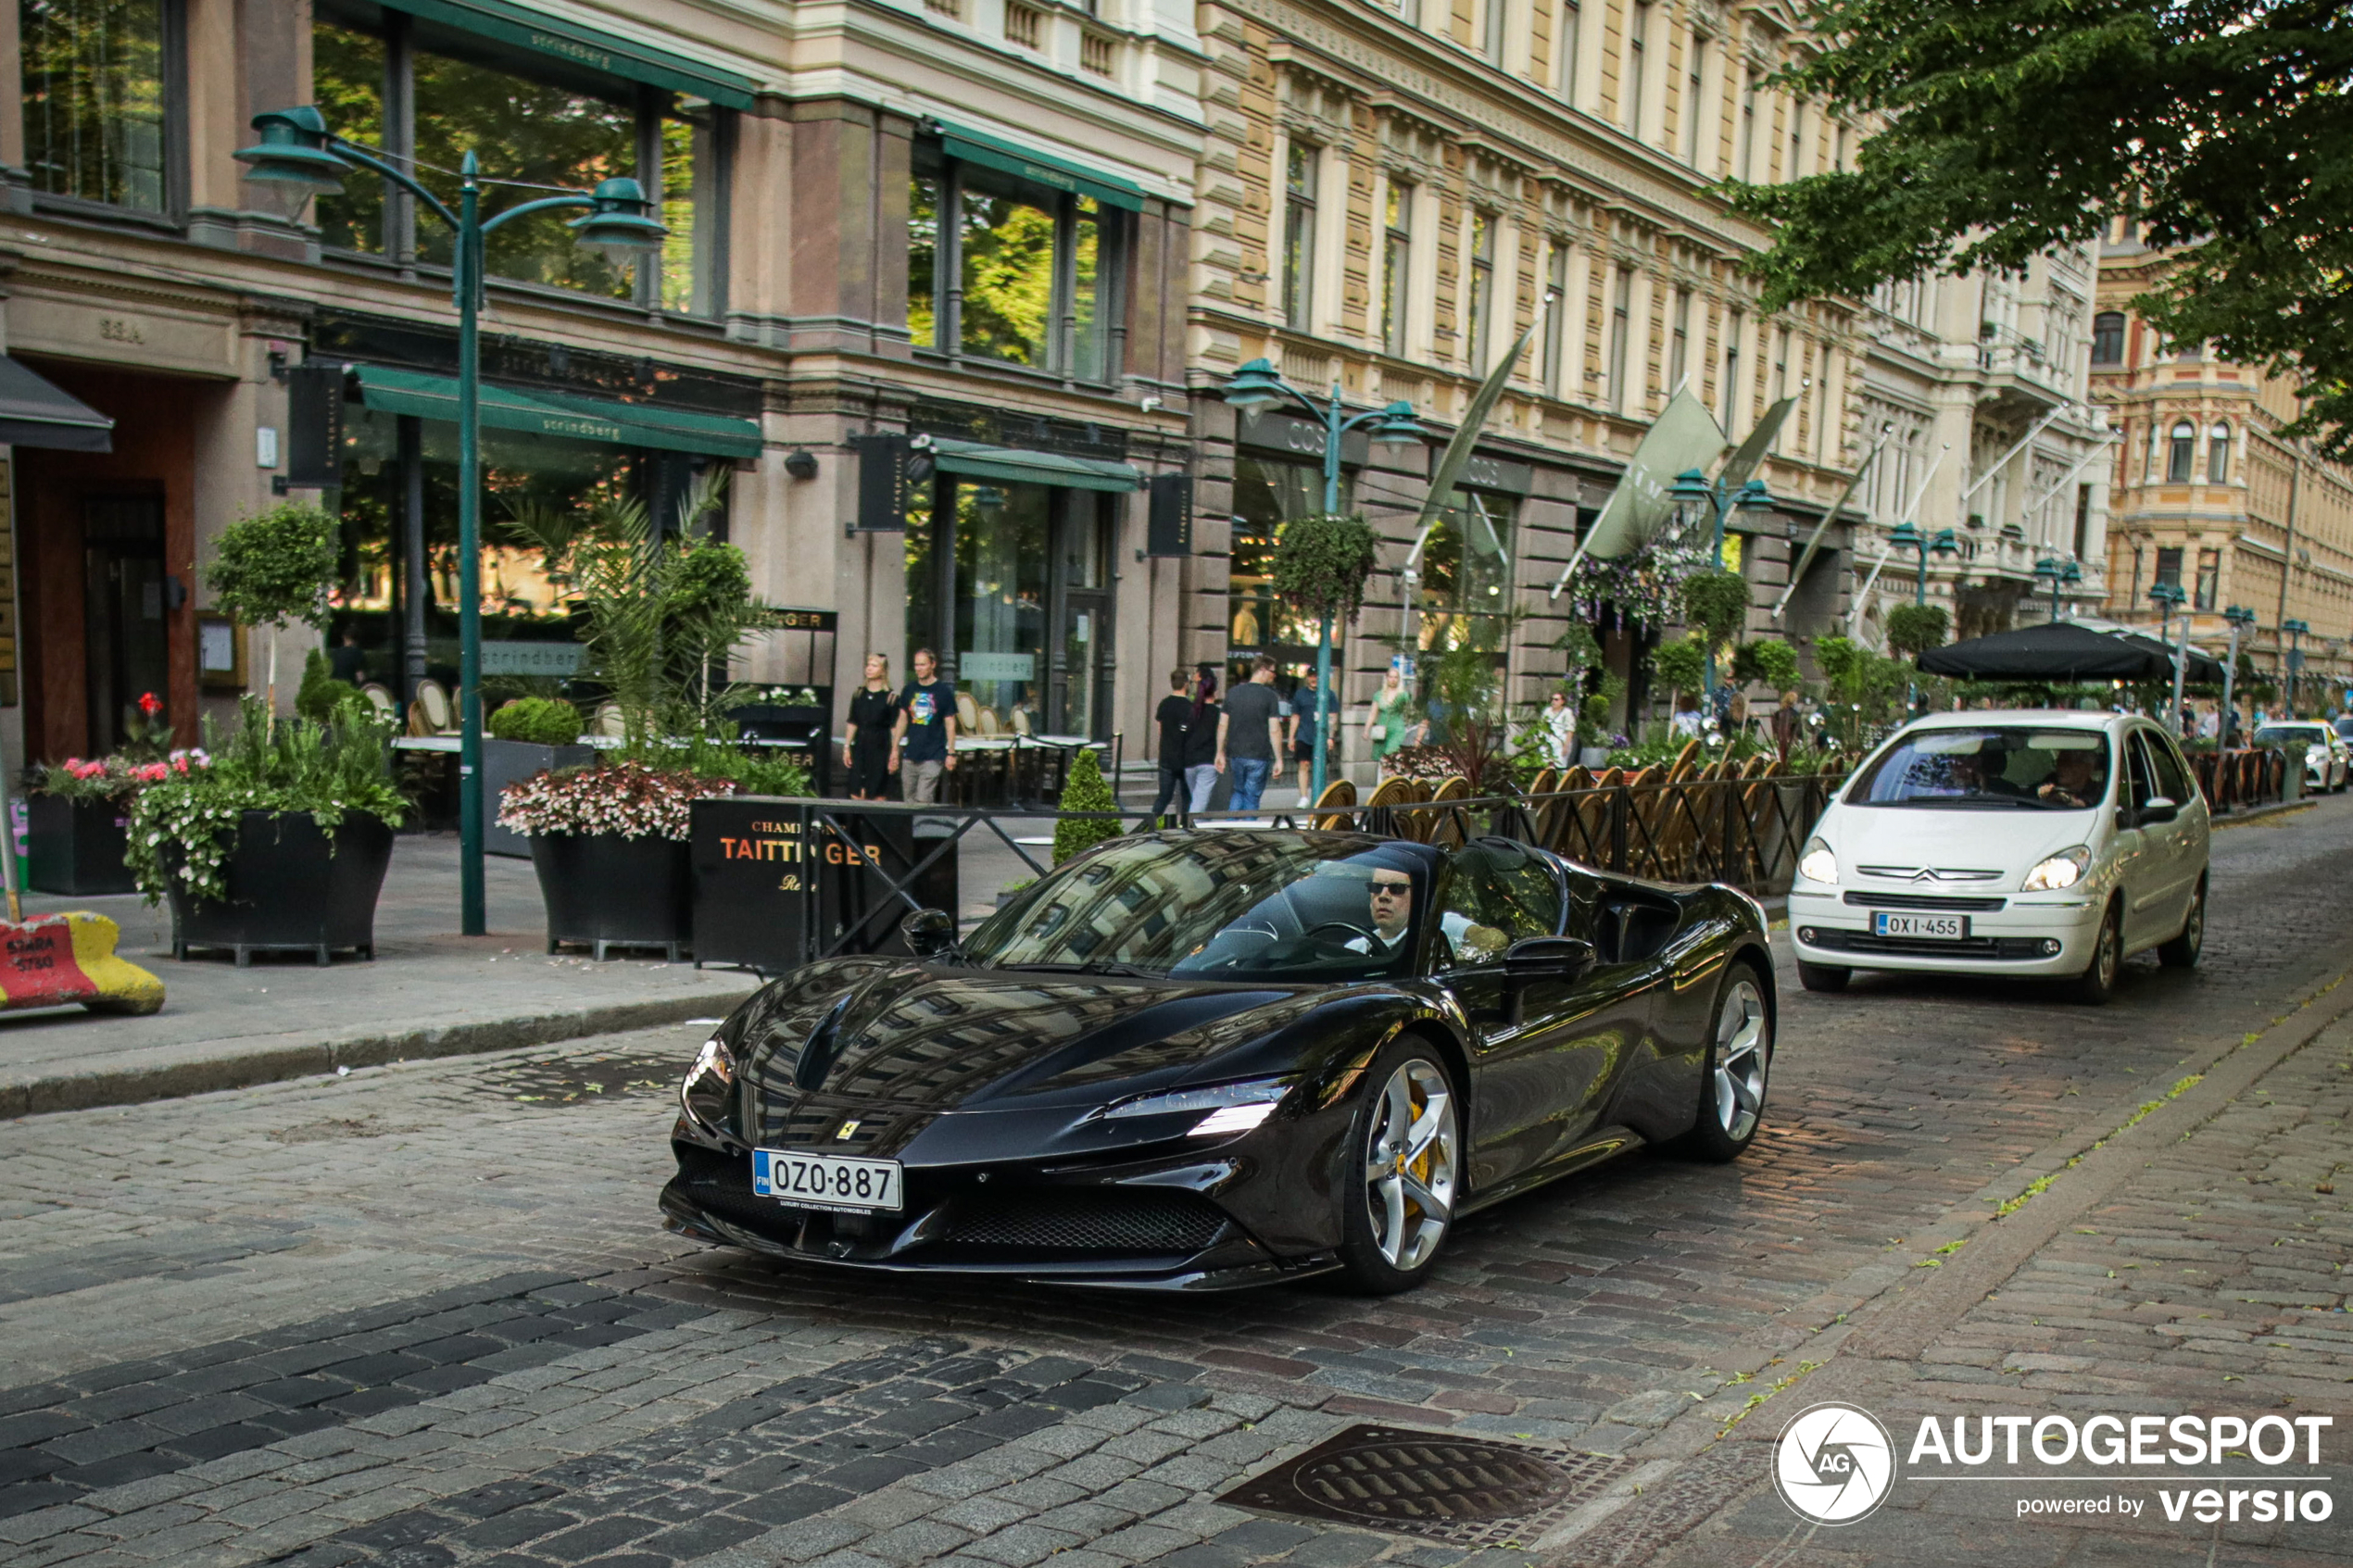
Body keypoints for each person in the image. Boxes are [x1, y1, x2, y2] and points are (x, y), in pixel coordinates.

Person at [892, 647, 957, 803]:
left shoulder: (943, 691)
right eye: (916, 665)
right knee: (908, 800)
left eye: (922, 665)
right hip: (911, 753)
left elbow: (950, 723)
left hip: (933, 754)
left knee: (923, 799)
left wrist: (951, 753)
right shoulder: (909, 689)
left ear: (932, 664)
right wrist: (894, 748)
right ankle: (911, 828)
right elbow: (902, 720)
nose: (919, 669)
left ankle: (924, 827)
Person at [1218, 656, 1282, 812]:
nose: (1274, 676)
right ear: (1262, 670)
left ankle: (1232, 829)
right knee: (1252, 797)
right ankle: (1248, 829)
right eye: (1273, 672)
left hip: (1236, 753)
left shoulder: (1233, 693)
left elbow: (1222, 725)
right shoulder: (1270, 696)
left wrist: (1219, 751)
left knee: (1238, 792)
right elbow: (1274, 729)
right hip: (1258, 755)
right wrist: (1279, 759)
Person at [842, 653, 899, 800]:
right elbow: (852, 721)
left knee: (877, 792)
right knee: (856, 791)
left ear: (883, 670)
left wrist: (894, 752)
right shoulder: (858, 694)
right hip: (860, 747)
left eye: (874, 666)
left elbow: (894, 728)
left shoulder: (890, 697)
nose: (869, 669)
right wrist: (847, 747)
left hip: (880, 748)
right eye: (868, 665)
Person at [1146, 668, 1197, 825]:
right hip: (1184, 757)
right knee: (1187, 796)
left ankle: (1150, 824)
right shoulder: (1190, 707)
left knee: (1164, 796)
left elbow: (1160, 730)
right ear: (1186, 684)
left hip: (1166, 756)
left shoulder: (1164, 704)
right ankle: (1186, 827)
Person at [1184, 670, 1221, 811]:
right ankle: (1192, 829)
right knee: (1199, 803)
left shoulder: (1191, 711)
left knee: (1197, 798)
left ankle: (1196, 826)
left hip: (1189, 761)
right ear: (1215, 692)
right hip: (1207, 760)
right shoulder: (1217, 714)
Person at [1289, 669, 1325, 807]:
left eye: (1316, 676)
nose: (1313, 679)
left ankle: (1320, 796)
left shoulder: (1327, 694)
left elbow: (1333, 716)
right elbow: (1295, 716)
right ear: (1307, 678)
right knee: (1303, 765)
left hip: (1321, 736)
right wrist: (1292, 737)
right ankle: (1303, 797)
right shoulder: (1300, 694)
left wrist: (1331, 737)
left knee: (1320, 767)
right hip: (1304, 736)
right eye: (1311, 676)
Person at [1367, 668, 1413, 773]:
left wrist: (1407, 724)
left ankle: (1392, 779)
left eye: (1395, 677)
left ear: (1399, 679)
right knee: (1381, 756)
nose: (1393, 680)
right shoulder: (1379, 695)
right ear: (1387, 678)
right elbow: (1373, 713)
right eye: (1391, 677)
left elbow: (1410, 711)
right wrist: (1367, 729)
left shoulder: (1403, 695)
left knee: (1391, 753)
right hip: (1382, 729)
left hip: (1397, 728)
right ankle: (1383, 781)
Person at [2037, 746, 2103, 808]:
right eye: (2058, 763)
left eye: (2067, 764)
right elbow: (2029, 798)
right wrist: (2042, 793)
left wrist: (2064, 798)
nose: (2060, 768)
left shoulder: (2098, 792)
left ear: (2087, 767)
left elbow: (2085, 806)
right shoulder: (2049, 781)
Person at [1541, 691, 1576, 770]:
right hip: (1547, 742)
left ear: (1562, 701)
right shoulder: (1547, 711)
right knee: (1545, 767)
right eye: (1552, 699)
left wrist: (1566, 746)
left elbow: (1570, 730)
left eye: (1556, 699)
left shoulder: (1567, 712)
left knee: (1560, 767)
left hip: (1560, 743)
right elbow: (1542, 726)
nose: (1553, 701)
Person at [1770, 690, 1802, 757]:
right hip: (1791, 741)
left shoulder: (1778, 713)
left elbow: (1775, 728)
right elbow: (1798, 730)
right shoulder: (1795, 714)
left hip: (1779, 741)